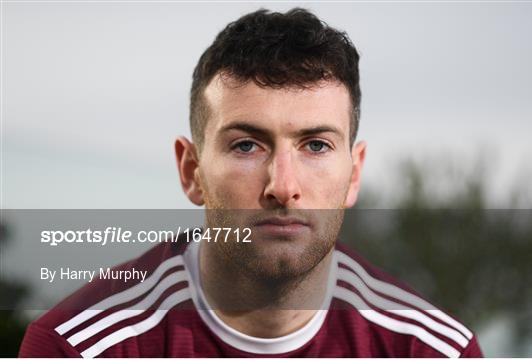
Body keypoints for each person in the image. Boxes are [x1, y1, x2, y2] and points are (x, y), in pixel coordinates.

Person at [19, 8, 483, 357]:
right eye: (246, 146)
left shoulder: (429, 350)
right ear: (191, 171)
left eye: (316, 145)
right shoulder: (78, 347)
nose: (282, 186)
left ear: (354, 173)